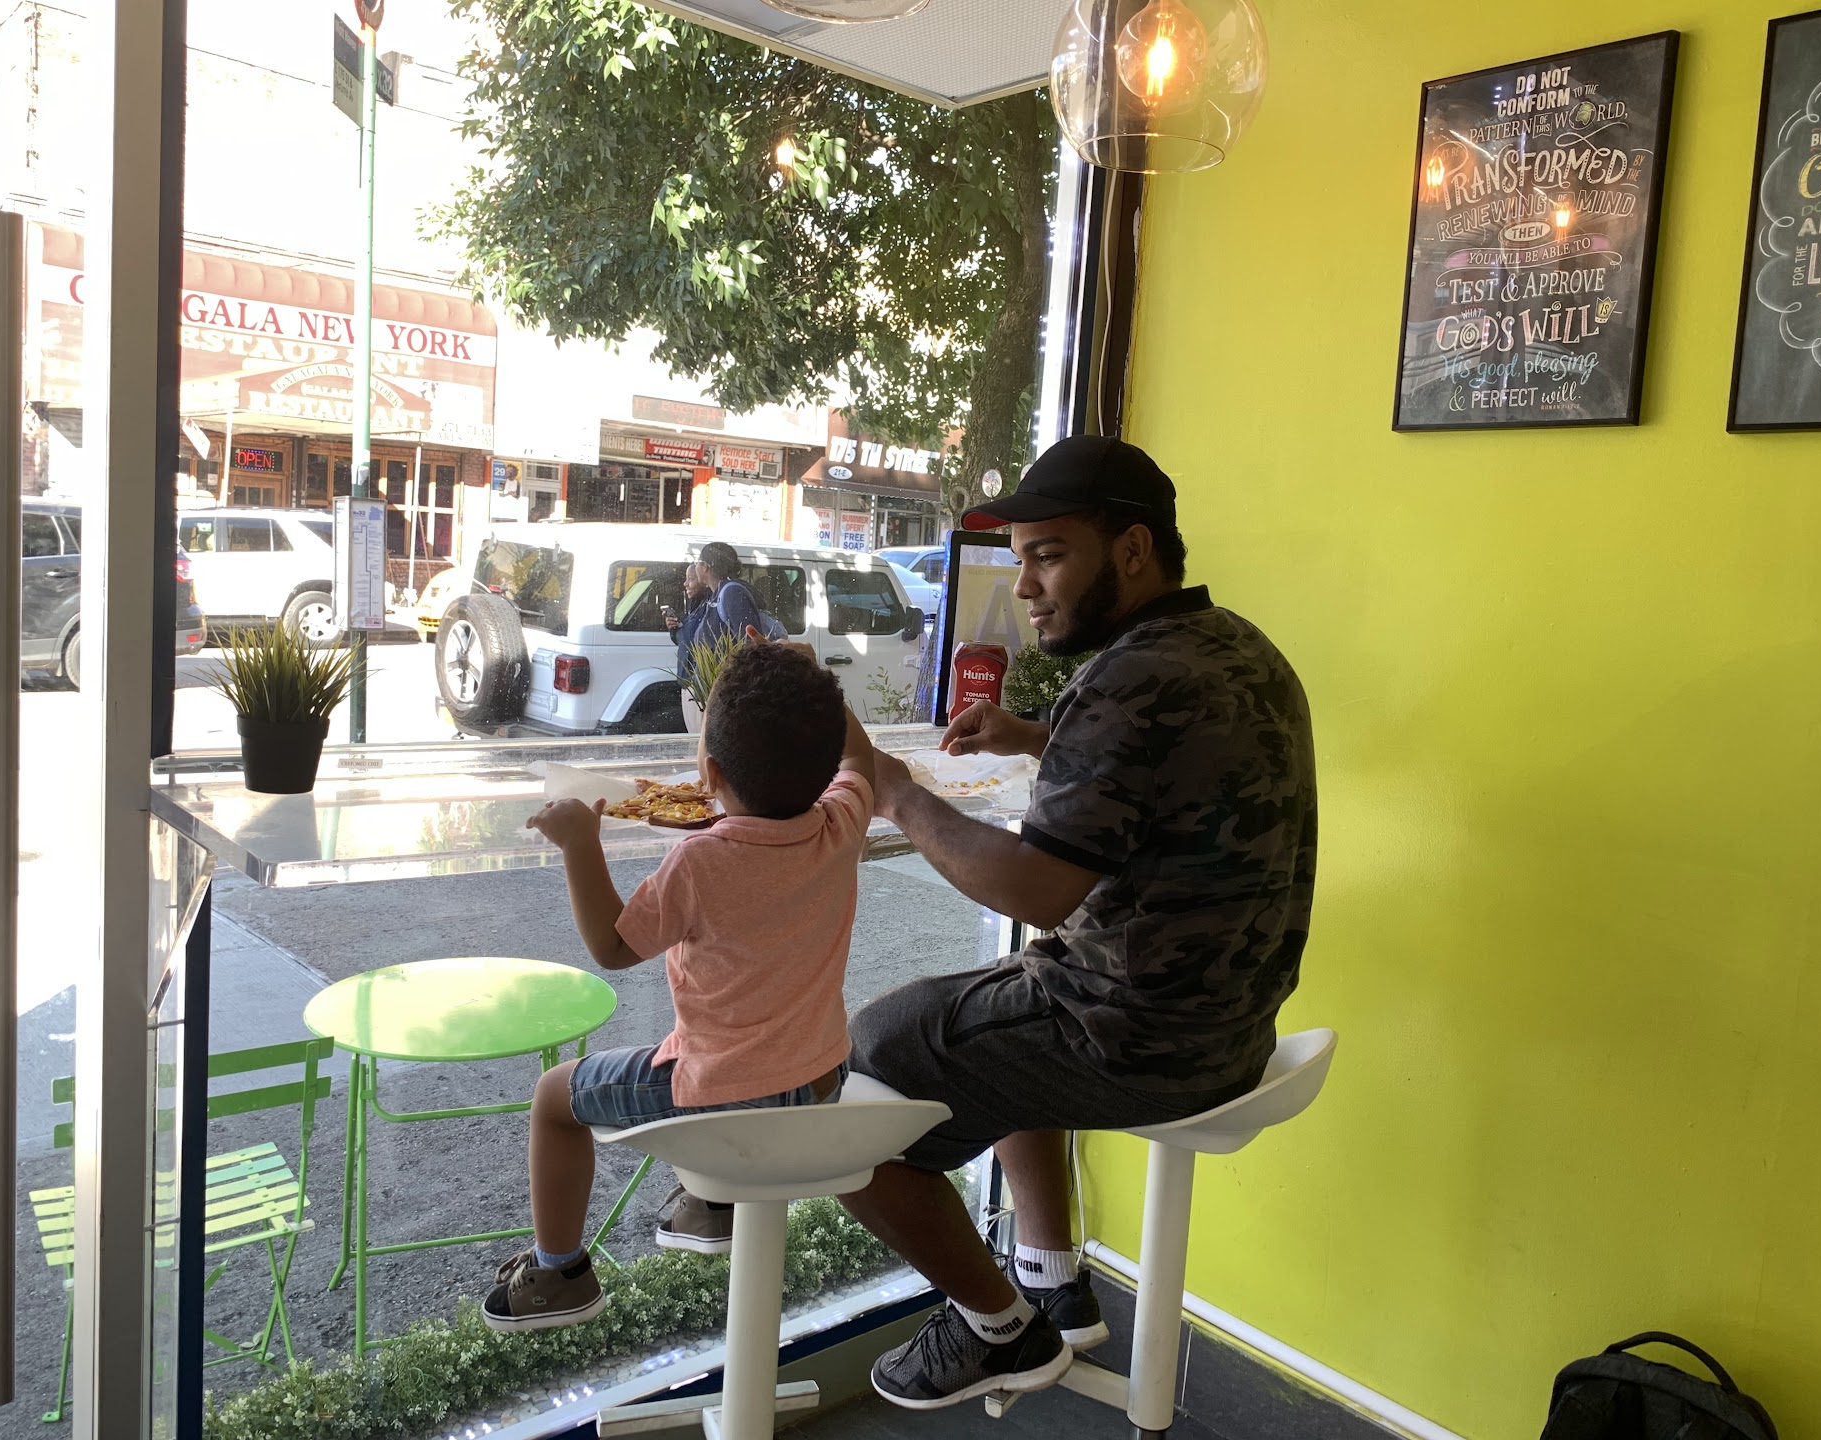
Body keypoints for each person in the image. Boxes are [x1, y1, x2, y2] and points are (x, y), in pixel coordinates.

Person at [840, 434, 1319, 1409]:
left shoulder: (1128, 680)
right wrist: (1032, 736)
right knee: (1005, 1000)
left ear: (1132, 551)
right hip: (1235, 1023)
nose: (1025, 587)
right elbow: (1161, 764)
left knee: (859, 1068)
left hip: (1139, 1040)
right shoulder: (1235, 646)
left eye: (1048, 556)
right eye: (1020, 560)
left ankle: (998, 1328)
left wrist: (895, 793)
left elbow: (1034, 890)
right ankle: (1052, 1278)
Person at [481, 644, 876, 1332]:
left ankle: (558, 1273)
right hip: (821, 1083)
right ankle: (712, 1204)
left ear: (710, 773)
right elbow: (861, 761)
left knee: (553, 1098)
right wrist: (815, 683)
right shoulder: (841, 824)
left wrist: (580, 842)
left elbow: (612, 947)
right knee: (700, 1055)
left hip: (729, 1101)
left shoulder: (699, 860)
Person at [664, 561, 710, 682]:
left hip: (699, 680)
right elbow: (684, 644)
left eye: (691, 579)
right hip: (687, 679)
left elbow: (695, 642)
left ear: (703, 580)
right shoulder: (693, 607)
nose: (685, 584)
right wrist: (674, 628)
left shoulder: (709, 607)